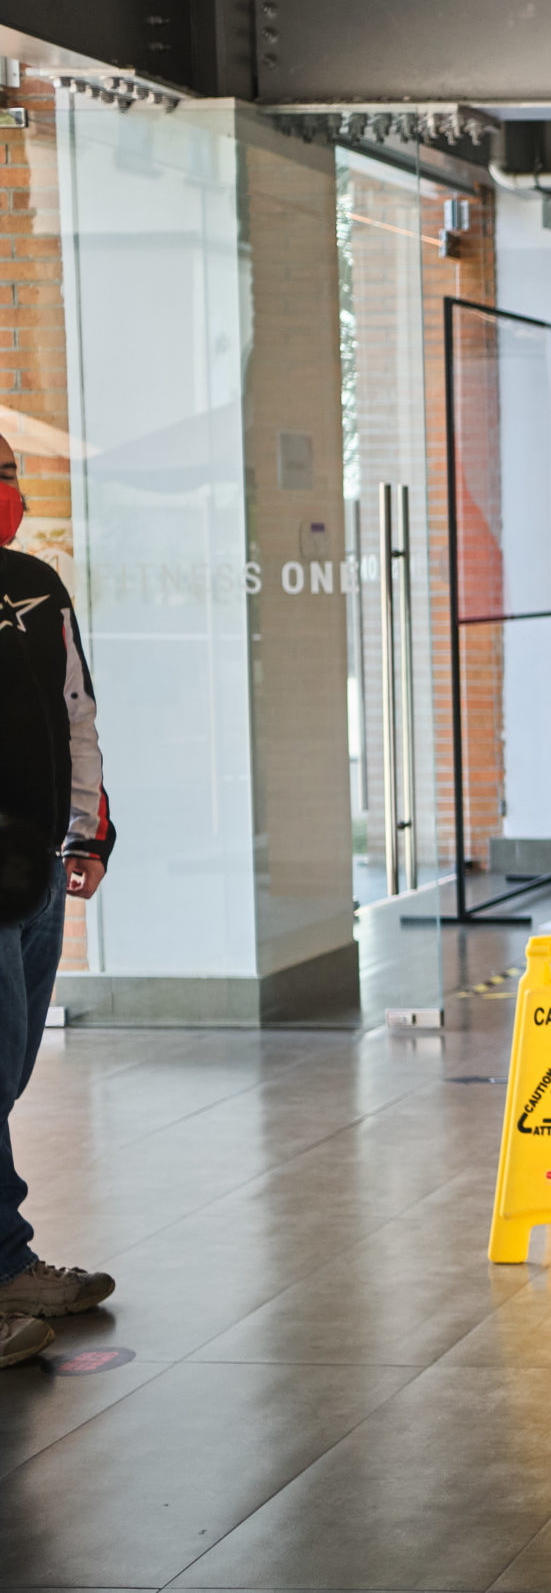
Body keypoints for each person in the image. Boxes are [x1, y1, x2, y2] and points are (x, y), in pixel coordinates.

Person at [0, 434, 118, 1367]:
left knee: (8, 1069)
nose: (11, 489)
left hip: (33, 867)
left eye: (11, 472)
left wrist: (87, 828)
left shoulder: (38, 588)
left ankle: (7, 1262)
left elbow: (76, 714)